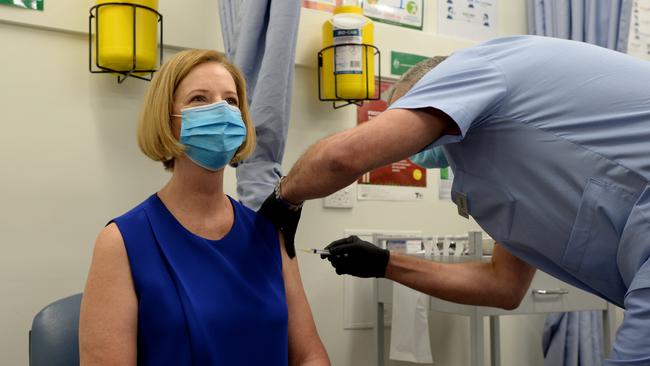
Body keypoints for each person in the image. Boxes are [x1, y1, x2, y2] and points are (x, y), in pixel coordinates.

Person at [259, 35, 650, 365]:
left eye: (403, 112)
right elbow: (503, 287)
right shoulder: (502, 164)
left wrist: (282, 198)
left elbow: (342, 157)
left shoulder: (472, 66)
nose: (411, 150)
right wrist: (384, 263)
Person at [79, 49, 330, 366]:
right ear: (167, 119)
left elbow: (310, 354)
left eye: (231, 101)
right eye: (199, 98)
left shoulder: (270, 235)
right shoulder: (122, 243)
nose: (221, 111)